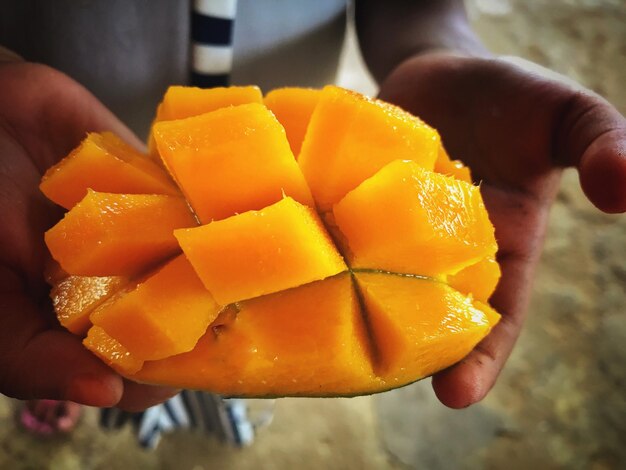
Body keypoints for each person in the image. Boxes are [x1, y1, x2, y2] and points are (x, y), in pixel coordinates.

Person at [0, 0, 624, 438]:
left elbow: (417, 6)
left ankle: (193, 358)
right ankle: (101, 381)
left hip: (282, 133)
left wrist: (437, 45)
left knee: (126, 335)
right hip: (51, 117)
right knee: (87, 346)